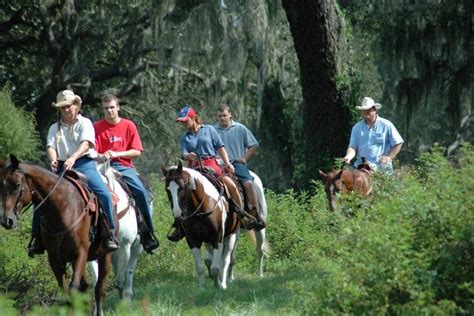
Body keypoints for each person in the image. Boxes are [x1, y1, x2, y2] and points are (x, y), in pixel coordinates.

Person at [28, 90, 120, 257]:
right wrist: (54, 159)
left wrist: (73, 158)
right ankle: (36, 237)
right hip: (62, 167)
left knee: (104, 194)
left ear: (76, 106)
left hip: (84, 164)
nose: (66, 110)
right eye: (62, 108)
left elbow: (86, 144)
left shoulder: (85, 123)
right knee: (41, 197)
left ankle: (110, 233)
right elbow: (50, 146)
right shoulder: (54, 128)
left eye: (68, 106)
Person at [168, 105, 250, 241]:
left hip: (211, 164)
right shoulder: (185, 137)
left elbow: (220, 147)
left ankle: (241, 213)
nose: (183, 123)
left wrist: (227, 163)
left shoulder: (209, 130)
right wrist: (187, 156)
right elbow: (183, 153)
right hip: (193, 168)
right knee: (180, 191)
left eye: (185, 120)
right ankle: (180, 224)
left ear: (194, 118)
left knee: (230, 183)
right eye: (181, 121)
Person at [94, 95, 159, 254]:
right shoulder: (96, 127)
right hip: (101, 166)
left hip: (123, 166)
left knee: (140, 191)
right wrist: (100, 156)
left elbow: (136, 151)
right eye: (106, 108)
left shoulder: (128, 125)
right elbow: (92, 149)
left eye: (112, 107)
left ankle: (147, 232)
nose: (109, 111)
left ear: (118, 108)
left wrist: (116, 154)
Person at [214, 104, 265, 230]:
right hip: (219, 165)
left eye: (224, 115)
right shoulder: (213, 130)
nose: (222, 118)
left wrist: (244, 159)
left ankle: (254, 213)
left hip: (236, 163)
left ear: (230, 114)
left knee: (248, 183)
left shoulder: (240, 128)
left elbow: (253, 145)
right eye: (219, 116)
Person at [342, 97, 404, 174]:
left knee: (382, 185)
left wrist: (389, 157)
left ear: (375, 110)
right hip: (360, 166)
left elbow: (398, 142)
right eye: (364, 110)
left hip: (381, 168)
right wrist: (348, 157)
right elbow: (352, 147)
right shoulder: (357, 127)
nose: (366, 112)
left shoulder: (386, 125)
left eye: (369, 110)